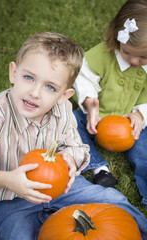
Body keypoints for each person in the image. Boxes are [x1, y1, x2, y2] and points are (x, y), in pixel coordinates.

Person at [0, 31, 147, 240]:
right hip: (10, 196)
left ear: (64, 95)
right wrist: (9, 180)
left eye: (50, 87)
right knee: (17, 234)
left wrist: (70, 158)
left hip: (63, 187)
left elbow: (76, 147)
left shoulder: (62, 111)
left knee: (112, 200)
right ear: (13, 72)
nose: (34, 93)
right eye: (28, 77)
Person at [73, 0, 147, 208]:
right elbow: (83, 78)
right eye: (127, 53)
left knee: (145, 153)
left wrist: (141, 115)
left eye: (143, 57)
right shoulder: (102, 55)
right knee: (69, 121)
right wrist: (89, 103)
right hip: (96, 118)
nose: (134, 61)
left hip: (132, 125)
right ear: (117, 37)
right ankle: (100, 169)